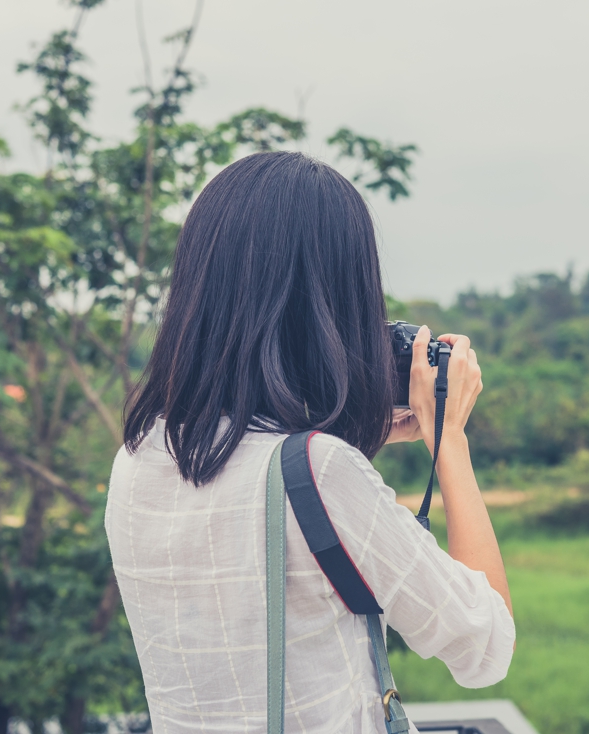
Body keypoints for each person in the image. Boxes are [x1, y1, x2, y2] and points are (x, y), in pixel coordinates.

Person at [106, 151, 515, 733]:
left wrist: (346, 444)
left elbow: (260, 531)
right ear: (333, 302)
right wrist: (449, 440)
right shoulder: (322, 474)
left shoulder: (139, 456)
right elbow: (485, 647)